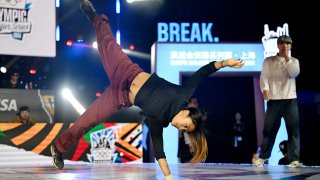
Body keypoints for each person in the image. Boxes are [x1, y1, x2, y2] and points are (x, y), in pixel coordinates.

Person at [50, 1, 244, 179]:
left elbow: (159, 152)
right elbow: (203, 72)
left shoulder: (160, 121)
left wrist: (168, 176)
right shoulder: (183, 95)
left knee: (87, 121)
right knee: (107, 42)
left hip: (119, 96)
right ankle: (95, 17)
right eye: (186, 125)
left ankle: (58, 148)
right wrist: (226, 62)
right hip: (126, 71)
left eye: (185, 130)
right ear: (186, 113)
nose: (181, 128)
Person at [253, 35, 302, 168]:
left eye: (287, 44)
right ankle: (263, 157)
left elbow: (294, 73)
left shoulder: (294, 61)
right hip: (274, 100)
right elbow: (264, 77)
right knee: (269, 129)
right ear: (278, 45)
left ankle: (294, 159)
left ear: (290, 46)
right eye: (282, 44)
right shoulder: (269, 61)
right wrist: (265, 89)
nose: (284, 46)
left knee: (293, 130)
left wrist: (287, 59)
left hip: (290, 100)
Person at [177, 96, 199, 163]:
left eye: (196, 102)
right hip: (187, 151)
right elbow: (185, 132)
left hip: (190, 150)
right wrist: (190, 145)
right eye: (194, 102)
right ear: (189, 104)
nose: (197, 104)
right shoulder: (186, 115)